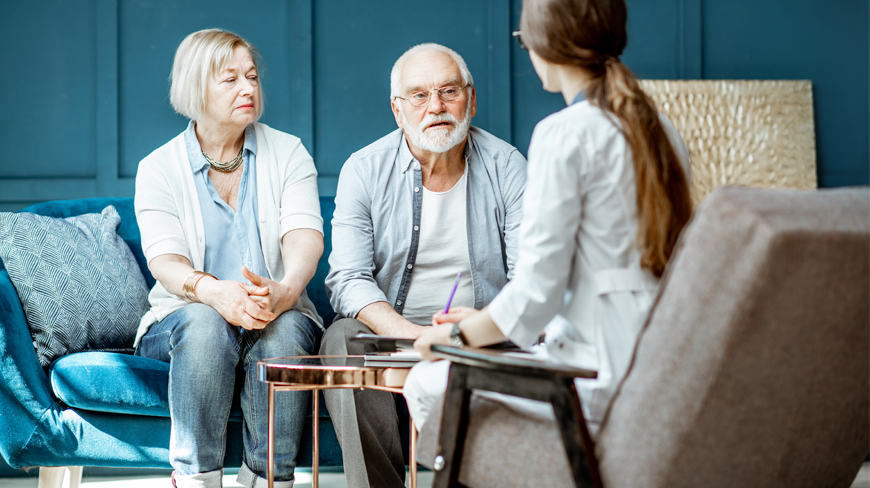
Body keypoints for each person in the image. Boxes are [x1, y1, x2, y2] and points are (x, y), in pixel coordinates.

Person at [404, 0, 693, 440]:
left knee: (425, 383)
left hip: (593, 370)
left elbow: (538, 291)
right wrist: (484, 321)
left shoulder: (564, 133)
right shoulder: (661, 128)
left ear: (544, 46)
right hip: (661, 358)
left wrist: (458, 337)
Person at [322, 43, 527, 488]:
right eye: (418, 95)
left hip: (477, 336)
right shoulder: (364, 169)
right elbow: (348, 279)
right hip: (390, 333)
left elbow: (528, 278)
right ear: (398, 111)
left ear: (470, 99)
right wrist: (414, 337)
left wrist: (467, 333)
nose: (436, 107)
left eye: (448, 91)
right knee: (339, 338)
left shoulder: (508, 166)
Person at [133, 29, 324, 488]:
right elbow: (166, 262)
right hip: (184, 320)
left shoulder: (288, 151)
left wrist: (286, 290)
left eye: (252, 77)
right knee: (204, 323)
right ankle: (197, 479)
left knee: (285, 331)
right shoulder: (157, 168)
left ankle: (268, 480)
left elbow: (305, 239)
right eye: (230, 79)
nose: (248, 88)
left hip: (275, 312)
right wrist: (214, 293)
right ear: (197, 88)